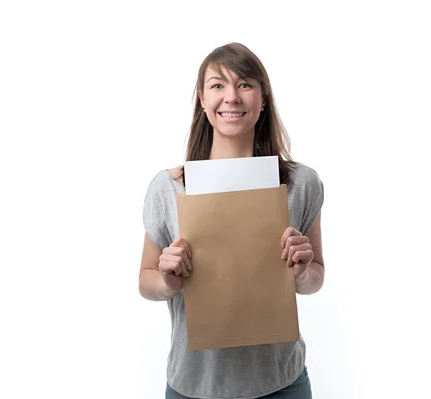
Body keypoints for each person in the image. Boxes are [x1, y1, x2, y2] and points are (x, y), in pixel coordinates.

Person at [139, 42, 325, 399]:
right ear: (202, 99)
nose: (231, 97)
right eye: (217, 85)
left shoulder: (301, 183)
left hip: (280, 384)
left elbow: (315, 277)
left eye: (244, 84)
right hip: (195, 386)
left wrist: (302, 271)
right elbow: (146, 280)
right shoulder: (170, 186)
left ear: (263, 98)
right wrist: (167, 280)